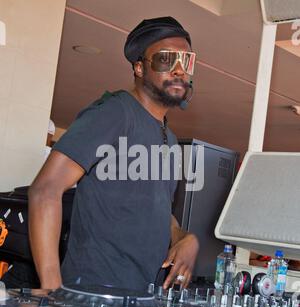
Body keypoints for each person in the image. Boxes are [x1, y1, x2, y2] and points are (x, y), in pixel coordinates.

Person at [28, 16, 200, 292]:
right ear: (140, 67)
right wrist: (53, 290)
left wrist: (184, 237)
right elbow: (45, 190)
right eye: (166, 60)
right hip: (96, 295)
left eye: (186, 61)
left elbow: (157, 209)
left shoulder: (169, 138)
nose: (179, 70)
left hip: (142, 296)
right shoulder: (115, 113)